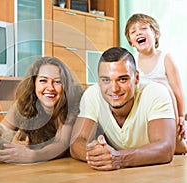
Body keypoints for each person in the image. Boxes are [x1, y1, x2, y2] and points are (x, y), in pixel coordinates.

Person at [70, 47, 176, 171]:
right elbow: (76, 142)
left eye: (122, 79)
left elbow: (165, 149)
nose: (114, 88)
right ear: (99, 80)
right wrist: (96, 155)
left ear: (136, 78)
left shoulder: (156, 92)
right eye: (106, 80)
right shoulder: (92, 95)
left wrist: (120, 158)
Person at [0, 56, 83, 164]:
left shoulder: (71, 103)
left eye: (57, 82)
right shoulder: (24, 103)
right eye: (43, 81)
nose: (50, 87)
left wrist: (32, 155)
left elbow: (61, 144)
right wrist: (11, 146)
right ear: (33, 83)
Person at [125, 13, 186, 154]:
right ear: (131, 42)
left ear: (156, 34)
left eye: (143, 28)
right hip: (145, 109)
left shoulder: (165, 59)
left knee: (163, 88)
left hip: (166, 108)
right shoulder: (131, 63)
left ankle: (177, 140)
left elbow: (178, 90)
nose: (138, 32)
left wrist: (181, 116)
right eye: (133, 32)